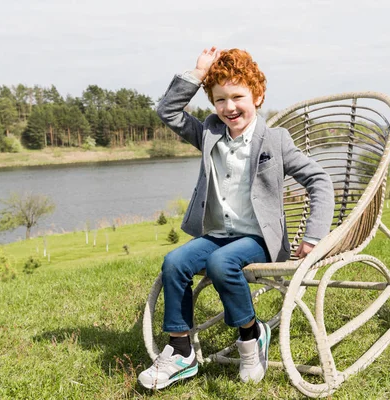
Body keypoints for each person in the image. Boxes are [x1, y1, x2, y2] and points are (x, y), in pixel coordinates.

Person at [138, 47, 334, 390]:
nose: (229, 107)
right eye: (220, 100)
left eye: (238, 96)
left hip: (258, 239)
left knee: (221, 263)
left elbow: (319, 180)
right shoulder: (209, 134)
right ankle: (181, 350)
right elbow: (167, 111)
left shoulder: (276, 140)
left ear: (257, 96)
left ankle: (251, 337)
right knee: (174, 261)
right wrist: (197, 76)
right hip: (216, 233)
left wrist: (314, 236)